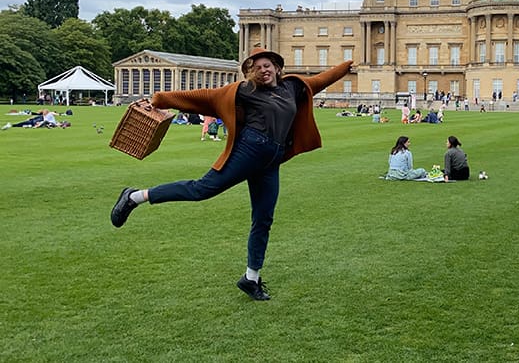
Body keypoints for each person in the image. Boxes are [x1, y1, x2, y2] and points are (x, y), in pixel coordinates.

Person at [109, 47, 352, 301]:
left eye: (267, 65)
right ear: (251, 72)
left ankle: (251, 278)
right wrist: (161, 99)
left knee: (263, 219)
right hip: (248, 151)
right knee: (201, 190)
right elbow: (206, 96)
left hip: (271, 161)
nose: (263, 71)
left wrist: (348, 65)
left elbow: (322, 80)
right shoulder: (247, 91)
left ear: (278, 67)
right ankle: (134, 197)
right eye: (257, 68)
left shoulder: (292, 87)